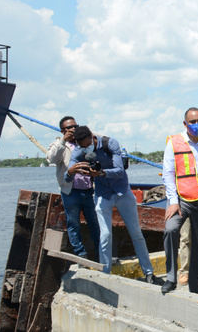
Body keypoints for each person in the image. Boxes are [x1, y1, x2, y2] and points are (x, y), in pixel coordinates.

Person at [67, 126, 156, 283]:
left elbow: (120, 170)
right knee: (105, 235)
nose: (85, 148)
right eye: (82, 146)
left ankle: (148, 272)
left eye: (87, 144)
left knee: (136, 233)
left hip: (122, 192)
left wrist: (101, 173)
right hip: (103, 194)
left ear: (92, 137)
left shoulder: (110, 143)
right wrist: (71, 170)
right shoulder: (81, 150)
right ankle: (105, 275)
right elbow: (68, 172)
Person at [161, 107, 198, 294]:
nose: (196, 125)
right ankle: (170, 278)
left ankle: (197, 284)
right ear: (185, 124)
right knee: (171, 230)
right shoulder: (174, 142)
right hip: (181, 200)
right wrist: (173, 201)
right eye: (192, 122)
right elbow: (168, 173)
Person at [46, 116, 100, 259]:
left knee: (94, 223)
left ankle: (101, 252)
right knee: (73, 223)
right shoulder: (59, 145)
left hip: (88, 189)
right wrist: (63, 140)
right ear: (63, 130)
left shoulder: (82, 142)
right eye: (70, 128)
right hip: (70, 191)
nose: (74, 129)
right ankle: (81, 254)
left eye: (76, 126)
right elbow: (51, 159)